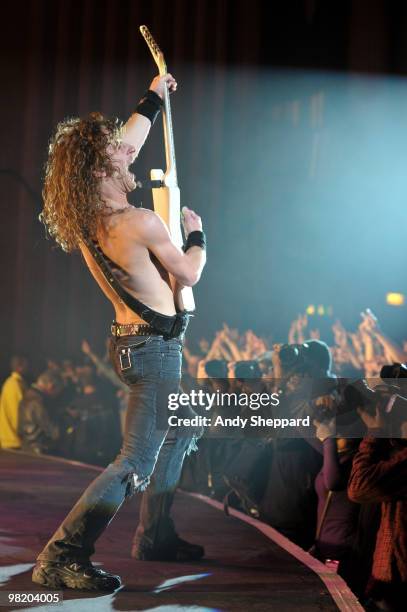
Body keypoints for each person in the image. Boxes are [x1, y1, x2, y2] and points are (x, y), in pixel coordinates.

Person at [32, 73, 207, 592]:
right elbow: (190, 273)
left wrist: (153, 97)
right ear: (102, 166)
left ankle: (154, 534)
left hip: (132, 346)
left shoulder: (90, 214)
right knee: (133, 464)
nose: (128, 153)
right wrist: (197, 233)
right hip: (153, 352)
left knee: (183, 425)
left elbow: (131, 137)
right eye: (119, 152)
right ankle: (62, 557)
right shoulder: (140, 221)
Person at [18, 370, 61, 455]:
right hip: (38, 451)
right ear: (51, 386)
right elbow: (49, 429)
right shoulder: (38, 401)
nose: (56, 396)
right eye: (58, 391)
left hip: (27, 448)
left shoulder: (28, 396)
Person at [0, 355, 28, 449]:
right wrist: (23, 435)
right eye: (26, 365)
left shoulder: (11, 383)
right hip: (13, 441)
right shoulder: (14, 385)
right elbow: (16, 413)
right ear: (20, 367)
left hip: (9, 439)